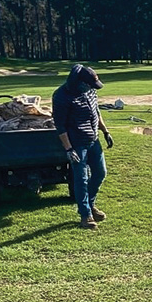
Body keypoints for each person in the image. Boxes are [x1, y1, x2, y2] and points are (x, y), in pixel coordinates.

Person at [52, 64, 114, 229]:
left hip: (93, 139)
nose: (93, 88)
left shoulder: (90, 91)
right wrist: (69, 149)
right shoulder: (61, 96)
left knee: (100, 172)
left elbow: (96, 112)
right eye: (90, 85)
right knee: (81, 179)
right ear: (80, 83)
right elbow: (60, 125)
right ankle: (85, 215)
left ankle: (90, 204)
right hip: (76, 143)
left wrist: (105, 131)